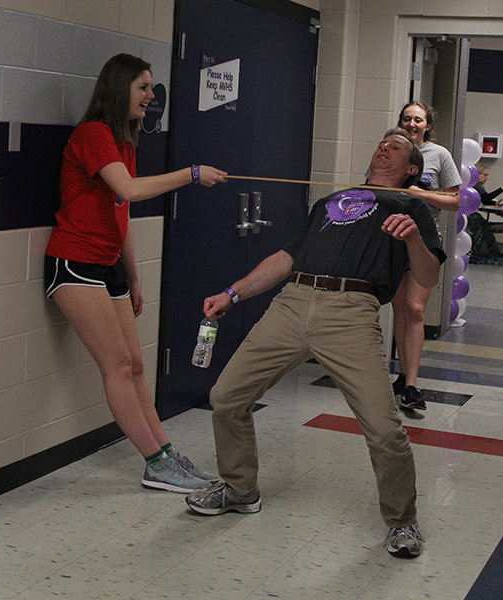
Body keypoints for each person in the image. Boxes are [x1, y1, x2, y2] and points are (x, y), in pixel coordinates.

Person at [183, 129, 446, 559]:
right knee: (227, 396)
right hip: (293, 301)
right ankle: (239, 488)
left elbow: (429, 276)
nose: (385, 147)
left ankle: (403, 522)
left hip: (352, 310)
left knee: (383, 427)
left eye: (397, 146)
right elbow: (287, 258)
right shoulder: (330, 201)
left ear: (412, 169)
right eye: (382, 142)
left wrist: (413, 238)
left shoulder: (412, 206)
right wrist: (233, 293)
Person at [43, 53, 228, 492]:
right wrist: (191, 174)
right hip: (74, 262)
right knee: (119, 364)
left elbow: (119, 210)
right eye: (143, 87)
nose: (151, 96)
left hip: (109, 266)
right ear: (120, 87)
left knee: (137, 364)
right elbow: (129, 189)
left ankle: (166, 453)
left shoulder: (124, 141)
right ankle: (155, 463)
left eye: (151, 87)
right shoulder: (93, 133)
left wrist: (135, 276)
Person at [391, 101, 461, 411]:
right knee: (400, 310)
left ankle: (412, 386)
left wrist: (420, 194)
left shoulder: (440, 155)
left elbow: (455, 200)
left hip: (424, 240)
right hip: (392, 238)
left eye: (417, 120)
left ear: (427, 125)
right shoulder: (389, 149)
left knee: (415, 309)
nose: (411, 124)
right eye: (406, 119)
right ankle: (403, 373)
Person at [468, 164, 503, 265]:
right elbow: (486, 198)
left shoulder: (477, 186)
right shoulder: (474, 184)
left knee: (485, 226)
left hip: (470, 214)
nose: (486, 178)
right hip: (468, 216)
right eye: (484, 175)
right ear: (478, 174)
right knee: (484, 227)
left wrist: (495, 203)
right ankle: (484, 254)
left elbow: (485, 200)